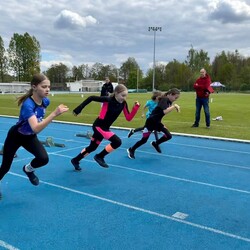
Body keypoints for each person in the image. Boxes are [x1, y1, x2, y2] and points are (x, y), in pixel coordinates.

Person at [0, 74, 68, 199]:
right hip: (16, 136)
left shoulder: (46, 101)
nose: (47, 89)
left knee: (43, 159)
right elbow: (36, 128)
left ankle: (28, 169)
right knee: (5, 167)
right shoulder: (28, 105)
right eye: (44, 86)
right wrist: (54, 114)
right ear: (34, 87)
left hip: (29, 136)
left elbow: (35, 128)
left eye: (49, 86)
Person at [71, 84, 140, 170]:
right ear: (116, 93)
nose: (124, 98)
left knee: (92, 147)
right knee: (117, 142)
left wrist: (135, 108)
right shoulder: (108, 100)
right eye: (122, 95)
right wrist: (79, 109)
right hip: (98, 126)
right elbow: (91, 98)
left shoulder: (124, 104)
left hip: (105, 128)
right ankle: (100, 156)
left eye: (126, 96)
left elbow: (128, 118)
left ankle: (75, 160)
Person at [127, 88, 181, 159]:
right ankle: (131, 149)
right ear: (170, 94)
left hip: (157, 122)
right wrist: (174, 106)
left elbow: (162, 112)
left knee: (168, 135)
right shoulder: (164, 99)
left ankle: (155, 143)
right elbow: (164, 111)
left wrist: (173, 106)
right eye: (175, 97)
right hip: (151, 122)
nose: (175, 99)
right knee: (144, 140)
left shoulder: (168, 101)